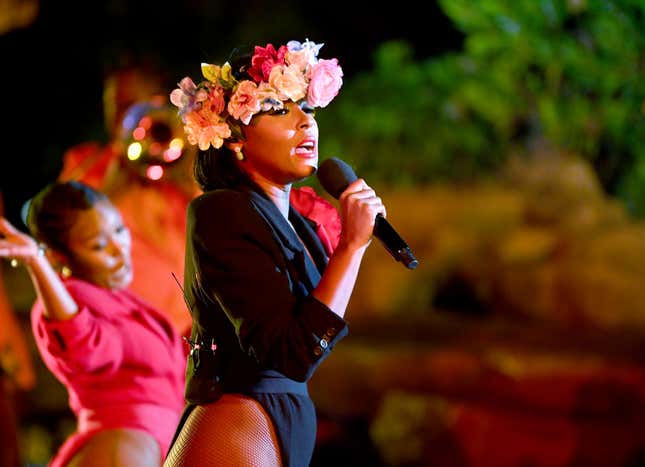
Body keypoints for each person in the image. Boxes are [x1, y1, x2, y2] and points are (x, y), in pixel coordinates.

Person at [163, 39, 386, 467]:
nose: (307, 123)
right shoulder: (220, 211)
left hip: (280, 414)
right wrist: (352, 248)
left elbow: (310, 339)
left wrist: (349, 247)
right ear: (234, 140)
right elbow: (292, 352)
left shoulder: (298, 223)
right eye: (280, 110)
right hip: (237, 420)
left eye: (307, 108)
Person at [0, 181, 186, 467]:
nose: (118, 249)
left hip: (153, 442)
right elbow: (83, 344)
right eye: (98, 245)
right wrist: (36, 263)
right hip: (122, 447)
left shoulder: (117, 297)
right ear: (59, 256)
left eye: (120, 230)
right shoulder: (70, 300)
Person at [58, 60, 200, 337]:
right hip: (126, 337)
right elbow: (62, 226)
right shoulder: (88, 163)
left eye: (135, 105)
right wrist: (117, 168)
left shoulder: (183, 163)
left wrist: (191, 162)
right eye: (118, 107)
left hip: (193, 336)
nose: (125, 117)